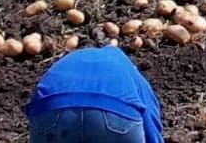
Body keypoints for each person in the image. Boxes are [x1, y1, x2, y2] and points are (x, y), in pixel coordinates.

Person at [24, 46, 165, 143]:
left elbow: (34, 104)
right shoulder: (126, 66)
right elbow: (150, 117)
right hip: (115, 112)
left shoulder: (67, 61)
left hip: (52, 112)